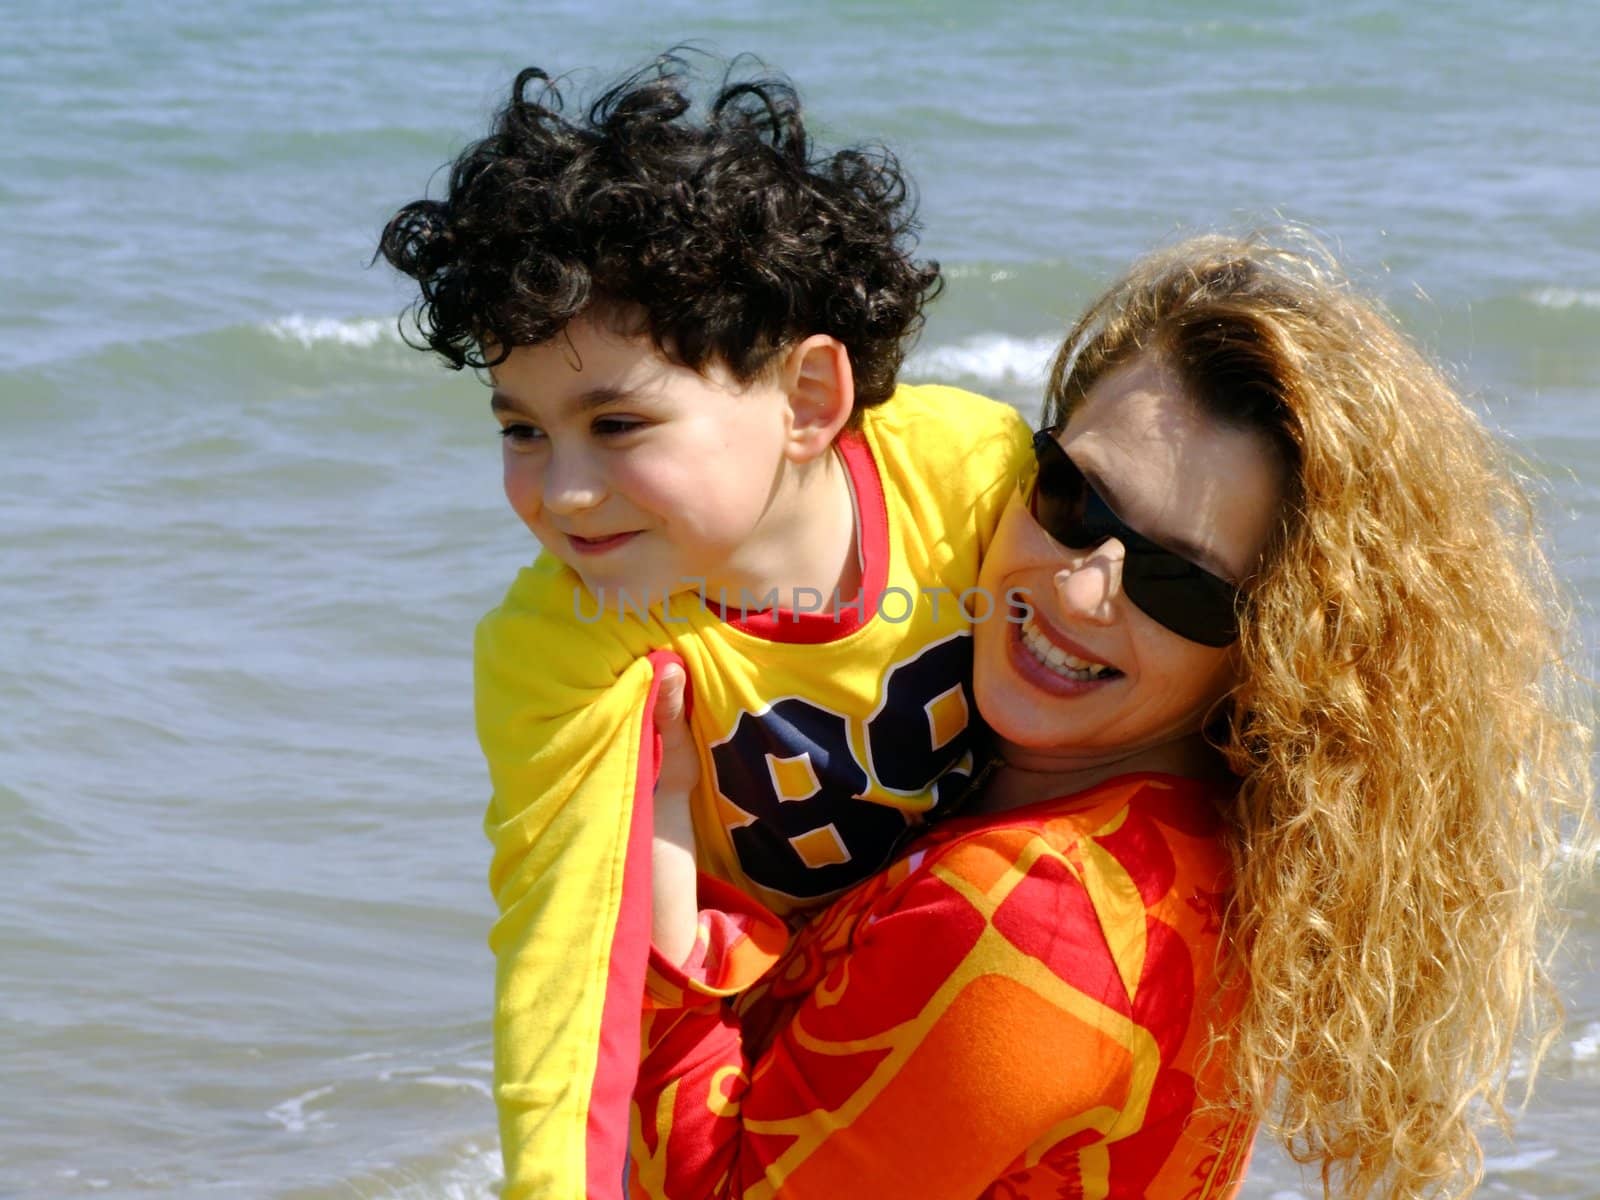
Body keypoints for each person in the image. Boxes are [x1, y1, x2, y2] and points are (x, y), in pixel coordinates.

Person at [637, 232, 1594, 1199]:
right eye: (1075, 497)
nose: (1083, 589)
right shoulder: (1199, 850)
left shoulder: (1031, 911)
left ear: (1279, 650)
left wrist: (657, 848)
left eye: (1180, 581)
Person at [377, 55, 1031, 1199]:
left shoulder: (973, 474)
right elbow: (568, 970)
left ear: (809, 401)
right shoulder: (561, 646)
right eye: (521, 430)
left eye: (617, 422)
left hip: (970, 969)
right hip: (739, 1048)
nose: (563, 493)